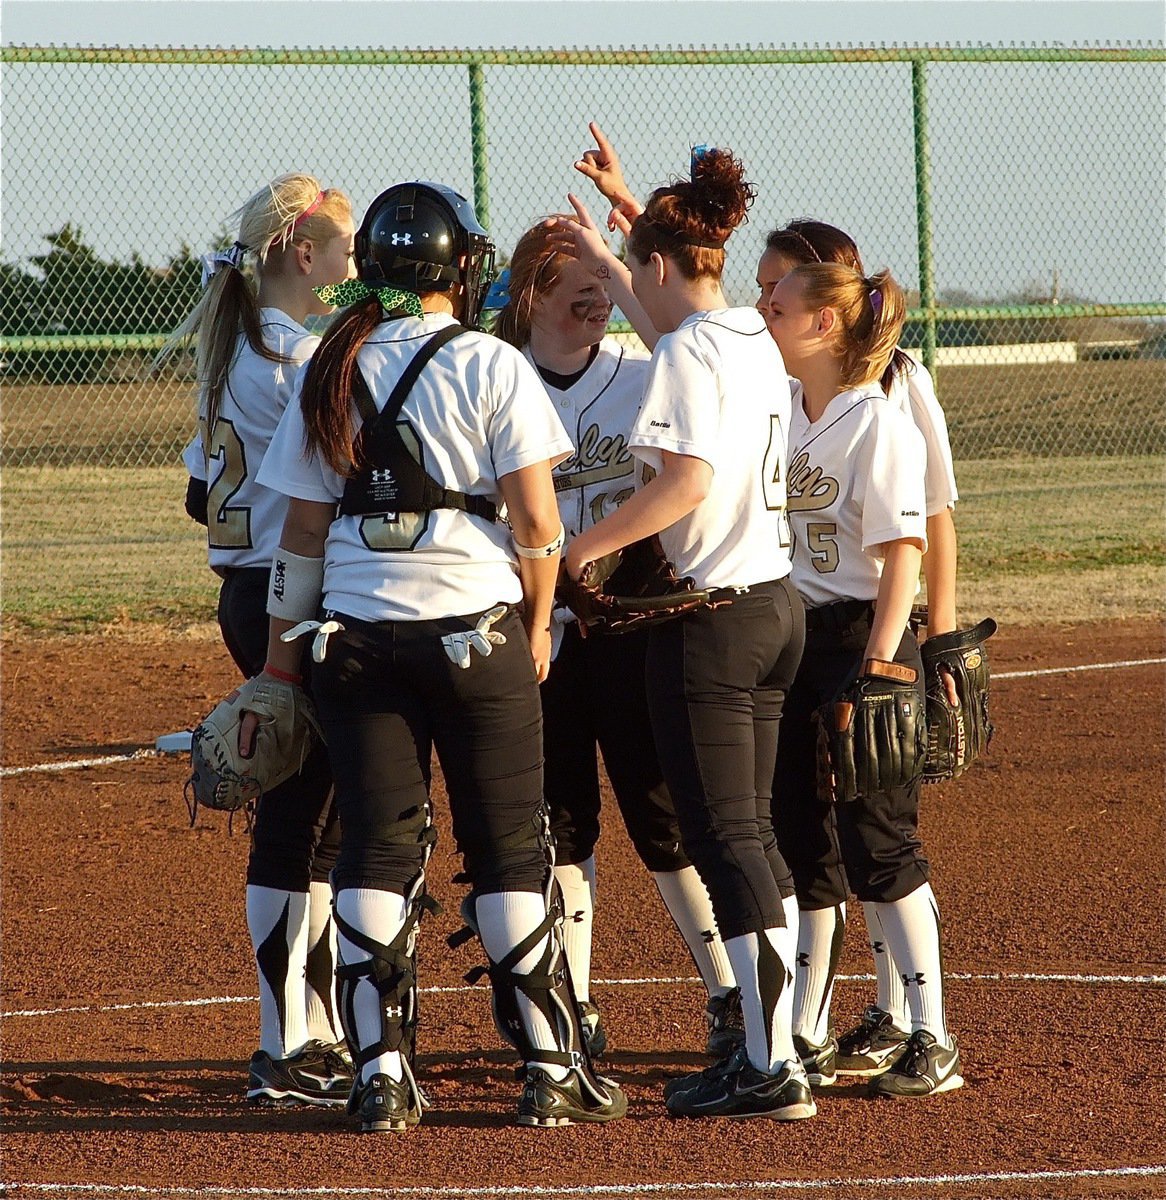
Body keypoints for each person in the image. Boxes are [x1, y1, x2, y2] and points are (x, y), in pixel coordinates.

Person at [252, 181, 627, 1132]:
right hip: (476, 631)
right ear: (460, 268)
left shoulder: (328, 364)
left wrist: (278, 666)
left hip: (354, 640)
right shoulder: (490, 365)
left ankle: (379, 1074)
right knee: (508, 849)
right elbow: (538, 523)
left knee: (377, 846)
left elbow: (298, 537)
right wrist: (540, 626)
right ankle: (549, 1068)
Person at [550, 147, 812, 1121]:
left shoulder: (691, 354)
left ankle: (765, 1062)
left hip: (711, 623)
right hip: (773, 606)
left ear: (660, 263)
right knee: (753, 837)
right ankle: (777, 1043)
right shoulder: (746, 332)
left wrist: (585, 548)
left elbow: (684, 482)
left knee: (724, 837)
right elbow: (661, 305)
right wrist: (626, 218)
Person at [492, 219, 742, 1061]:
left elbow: (693, 325)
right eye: (579, 279)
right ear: (531, 292)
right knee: (561, 822)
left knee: (663, 817)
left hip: (628, 622)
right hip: (535, 631)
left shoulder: (641, 373)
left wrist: (628, 222)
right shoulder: (496, 379)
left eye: (608, 277)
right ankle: (575, 1001)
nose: (599, 293)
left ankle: (731, 994)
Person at [157, 174, 357, 1107]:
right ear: (299, 252)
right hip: (289, 595)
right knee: (297, 813)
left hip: (252, 588)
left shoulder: (242, 342)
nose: (361, 264)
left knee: (317, 816)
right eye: (345, 246)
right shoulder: (303, 354)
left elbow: (202, 494)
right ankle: (284, 1045)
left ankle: (307, 1029)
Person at [755, 220, 961, 1089]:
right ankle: (804, 1026)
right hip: (793, 638)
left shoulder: (876, 422)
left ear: (826, 324)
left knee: (880, 842)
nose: (762, 307)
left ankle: (930, 1034)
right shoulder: (788, 412)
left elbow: (905, 554)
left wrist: (882, 667)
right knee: (806, 840)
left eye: (779, 301)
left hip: (860, 640)